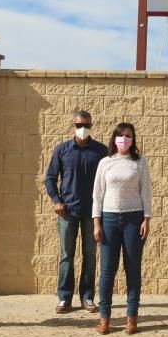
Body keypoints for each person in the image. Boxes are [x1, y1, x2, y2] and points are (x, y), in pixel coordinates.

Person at [45, 110, 108, 314]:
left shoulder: (101, 151)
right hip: (67, 212)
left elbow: (108, 181)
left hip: (93, 213)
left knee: (90, 255)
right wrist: (57, 201)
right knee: (66, 255)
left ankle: (87, 297)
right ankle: (64, 298)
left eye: (87, 125)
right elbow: (50, 178)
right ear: (72, 125)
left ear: (91, 126)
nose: (83, 129)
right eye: (79, 125)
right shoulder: (62, 150)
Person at [92, 123, 153, 335]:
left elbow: (146, 192)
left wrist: (147, 219)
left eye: (128, 136)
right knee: (108, 271)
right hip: (108, 219)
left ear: (133, 139)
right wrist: (96, 222)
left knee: (133, 269)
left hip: (133, 220)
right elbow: (97, 195)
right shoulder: (105, 163)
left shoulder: (140, 162)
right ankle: (105, 318)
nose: (124, 139)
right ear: (114, 138)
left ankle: (131, 317)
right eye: (121, 135)